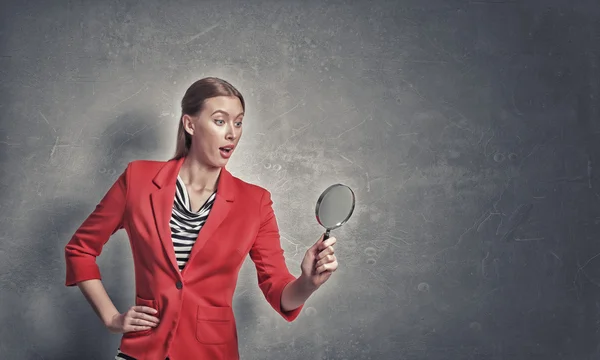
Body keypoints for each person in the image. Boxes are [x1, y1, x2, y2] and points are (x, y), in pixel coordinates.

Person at [64, 77, 339, 360]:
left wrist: (308, 282)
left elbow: (278, 289)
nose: (232, 133)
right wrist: (111, 318)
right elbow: (79, 250)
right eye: (220, 121)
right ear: (190, 124)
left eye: (238, 122)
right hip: (142, 350)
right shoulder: (138, 179)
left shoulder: (255, 202)